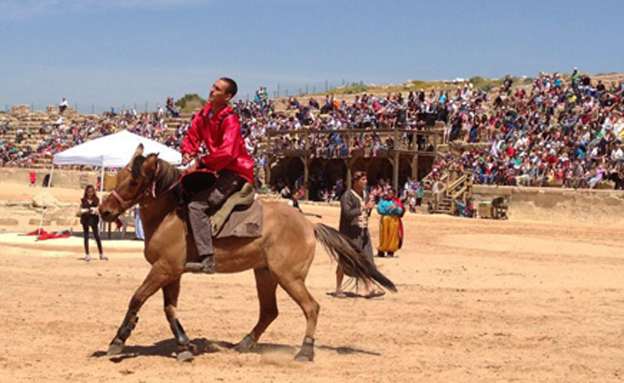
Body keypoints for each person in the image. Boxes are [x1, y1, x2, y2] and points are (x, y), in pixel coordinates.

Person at [181, 77, 254, 274]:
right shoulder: (203, 114)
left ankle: (207, 258)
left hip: (233, 171)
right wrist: (188, 150)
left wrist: (201, 162)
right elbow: (192, 136)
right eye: (213, 86)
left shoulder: (230, 119)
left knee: (196, 206)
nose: (212, 91)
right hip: (215, 168)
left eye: (218, 89)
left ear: (227, 96)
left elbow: (228, 152)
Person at [334, 171, 385, 299]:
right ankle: (338, 288)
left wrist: (369, 207)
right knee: (344, 261)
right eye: (363, 179)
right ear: (356, 181)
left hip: (363, 232)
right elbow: (347, 213)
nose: (365, 182)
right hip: (349, 234)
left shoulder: (365, 194)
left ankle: (369, 288)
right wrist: (364, 208)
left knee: (365, 260)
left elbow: (367, 214)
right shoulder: (347, 196)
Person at [80, 185, 106, 262]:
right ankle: (87, 254)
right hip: (85, 219)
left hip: (93, 219)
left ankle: (101, 253)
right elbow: (79, 210)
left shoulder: (96, 200)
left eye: (91, 192)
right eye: (88, 192)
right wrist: (84, 210)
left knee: (97, 236)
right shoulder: (83, 200)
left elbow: (100, 209)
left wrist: (96, 210)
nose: (90, 194)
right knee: (86, 236)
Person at [376, 189, 404, 257]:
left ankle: (391, 251)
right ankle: (381, 250)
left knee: (393, 235)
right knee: (383, 234)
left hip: (394, 220)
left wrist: (396, 208)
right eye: (389, 192)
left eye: (391, 193)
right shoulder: (383, 201)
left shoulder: (397, 201)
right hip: (385, 219)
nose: (390, 194)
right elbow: (379, 209)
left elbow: (401, 210)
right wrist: (388, 210)